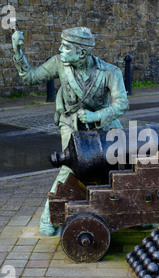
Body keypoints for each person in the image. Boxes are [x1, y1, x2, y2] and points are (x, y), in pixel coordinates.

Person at [11, 27, 129, 236]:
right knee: (71, 164)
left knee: (126, 157)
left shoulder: (111, 72)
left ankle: (136, 212)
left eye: (66, 47)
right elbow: (30, 76)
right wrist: (17, 51)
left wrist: (98, 116)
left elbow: (121, 104)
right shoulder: (59, 63)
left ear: (82, 52)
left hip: (103, 122)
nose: (60, 50)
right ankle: (47, 219)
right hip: (71, 123)